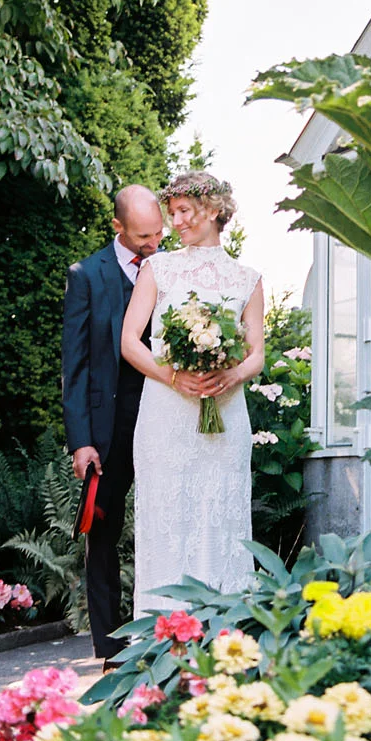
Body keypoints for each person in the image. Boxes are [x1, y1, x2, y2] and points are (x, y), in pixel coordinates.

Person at [120, 171, 265, 615]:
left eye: (185, 211)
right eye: (173, 212)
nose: (176, 221)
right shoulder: (156, 269)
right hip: (167, 416)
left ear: (215, 211)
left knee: (220, 520)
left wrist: (233, 374)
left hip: (225, 418)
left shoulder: (248, 278)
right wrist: (172, 377)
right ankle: (162, 640)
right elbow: (130, 342)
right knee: (167, 523)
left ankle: (223, 637)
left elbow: (257, 353)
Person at [61, 185, 166, 666]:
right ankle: (110, 649)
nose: (154, 244)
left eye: (159, 232)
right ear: (118, 228)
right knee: (101, 534)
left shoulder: (172, 270)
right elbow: (75, 365)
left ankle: (167, 629)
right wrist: (81, 442)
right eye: (144, 236)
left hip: (166, 418)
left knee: (167, 524)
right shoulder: (86, 275)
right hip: (108, 429)